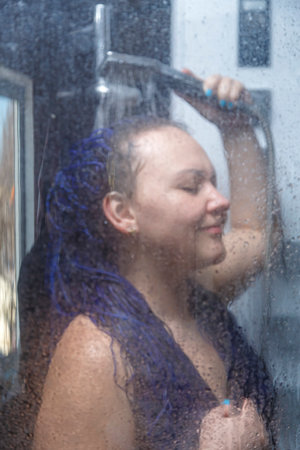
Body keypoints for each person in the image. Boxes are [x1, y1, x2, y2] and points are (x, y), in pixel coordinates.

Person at [33, 74, 277, 449]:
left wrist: (235, 127)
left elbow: (258, 235)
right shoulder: (97, 353)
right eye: (192, 186)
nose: (220, 200)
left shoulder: (198, 290)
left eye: (213, 182)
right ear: (123, 212)